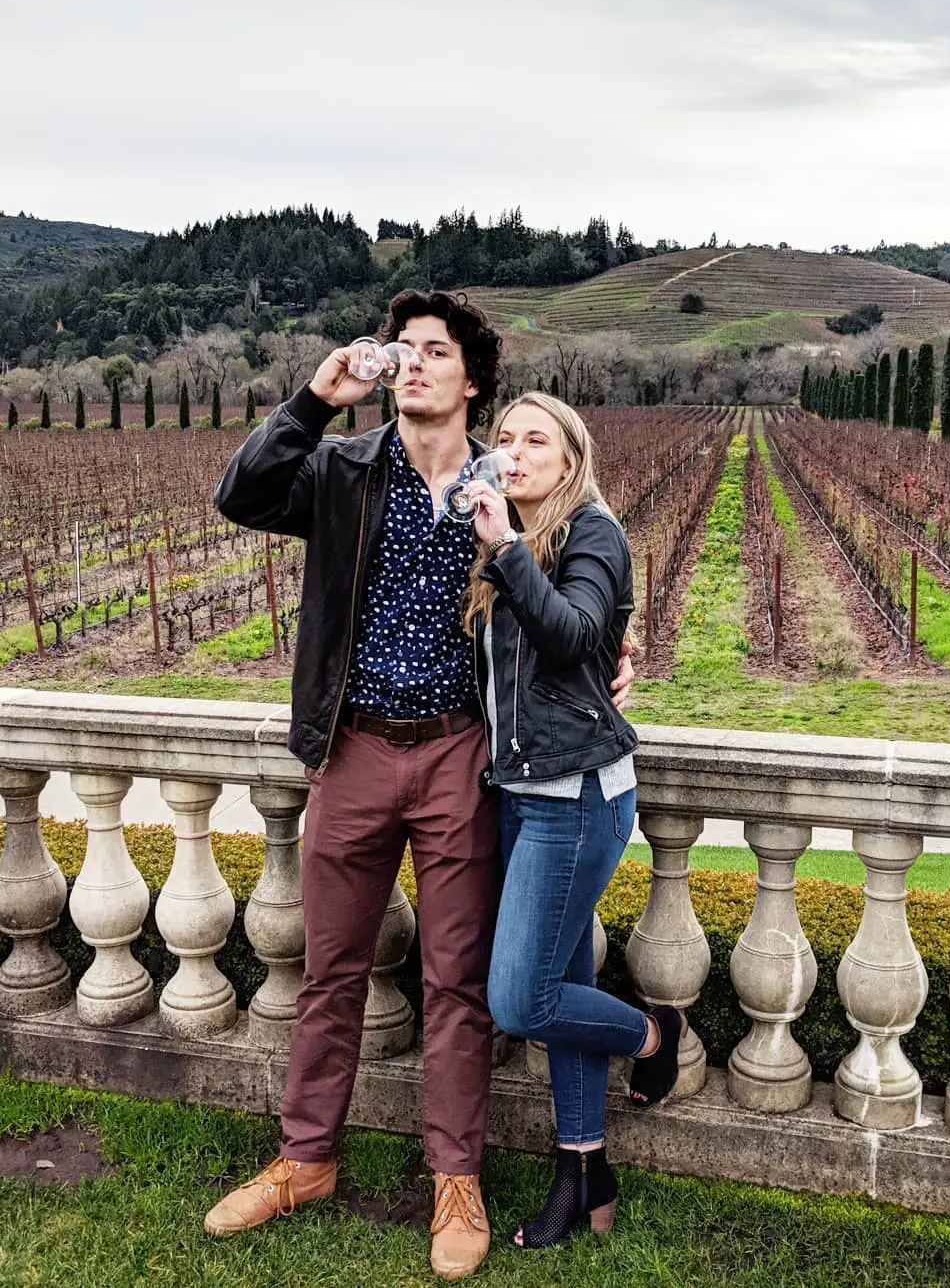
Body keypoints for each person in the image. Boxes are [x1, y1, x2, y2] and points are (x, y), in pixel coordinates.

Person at [205, 291, 631, 1282]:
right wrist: (317, 397)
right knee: (331, 969)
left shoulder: (506, 480)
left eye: (434, 352)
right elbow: (239, 493)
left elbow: (590, 564)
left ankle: (456, 1178)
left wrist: (621, 646)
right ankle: (305, 1159)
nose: (413, 364)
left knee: (454, 983)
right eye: (403, 352)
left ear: (472, 379)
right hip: (353, 750)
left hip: (458, 756)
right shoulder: (346, 468)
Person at [462, 392, 683, 1251]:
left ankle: (654, 1032)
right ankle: (583, 1173)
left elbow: (572, 632)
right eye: (505, 438)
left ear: (570, 457)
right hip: (517, 794)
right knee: (559, 985)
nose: (513, 453)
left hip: (580, 797)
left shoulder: (592, 532)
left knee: (521, 999)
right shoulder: (497, 539)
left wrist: (507, 549)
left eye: (534, 441)